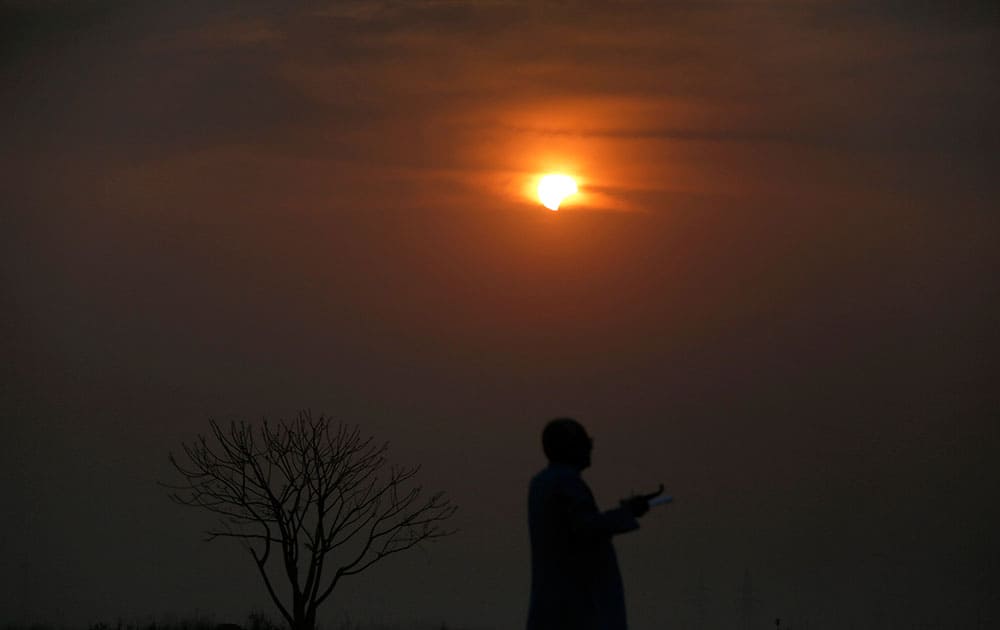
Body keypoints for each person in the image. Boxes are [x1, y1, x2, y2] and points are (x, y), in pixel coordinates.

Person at [526, 418, 652, 630]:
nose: (590, 448)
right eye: (585, 442)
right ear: (570, 447)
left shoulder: (541, 483)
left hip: (553, 603)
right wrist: (626, 513)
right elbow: (586, 528)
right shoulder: (566, 482)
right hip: (576, 606)